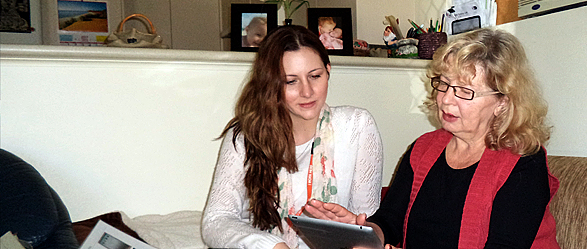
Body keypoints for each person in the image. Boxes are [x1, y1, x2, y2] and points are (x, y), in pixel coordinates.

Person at [304, 27, 560, 249]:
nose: (446, 99)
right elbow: (390, 220)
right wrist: (363, 233)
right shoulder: (424, 148)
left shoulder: (524, 161)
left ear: (502, 102)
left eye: (464, 91)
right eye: (444, 84)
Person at [202, 25, 384, 249]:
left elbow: (368, 225)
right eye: (291, 81)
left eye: (315, 76)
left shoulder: (357, 126)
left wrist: (354, 230)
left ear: (328, 70)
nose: (307, 92)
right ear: (271, 85)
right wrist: (272, 246)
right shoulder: (244, 136)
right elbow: (216, 220)